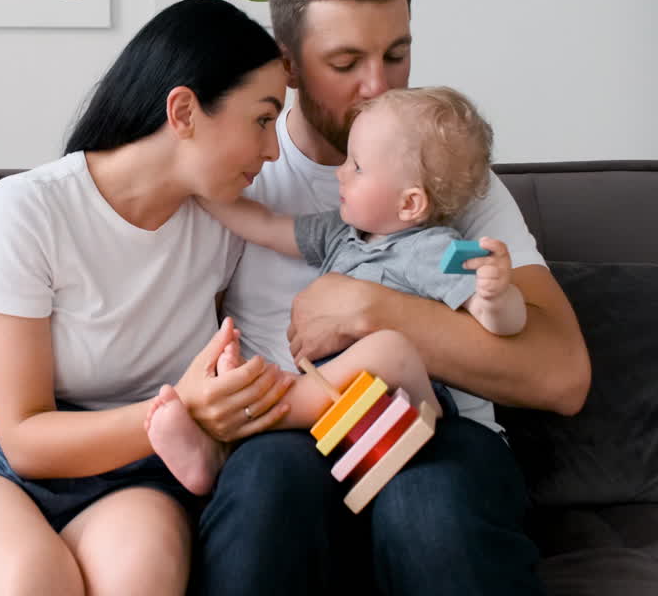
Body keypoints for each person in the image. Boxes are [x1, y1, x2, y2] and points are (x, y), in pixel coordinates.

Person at [0, 0, 303, 593]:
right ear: (184, 111)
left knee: (140, 577)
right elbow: (23, 434)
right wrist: (184, 408)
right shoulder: (30, 208)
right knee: (30, 578)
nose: (273, 150)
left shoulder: (229, 225)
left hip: (132, 472)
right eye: (263, 119)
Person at [185, 0, 591, 596]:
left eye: (397, 55)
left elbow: (562, 376)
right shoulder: (241, 170)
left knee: (430, 512)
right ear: (288, 64)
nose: (377, 87)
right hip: (291, 430)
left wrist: (370, 308)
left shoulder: (449, 176)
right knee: (263, 498)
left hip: (437, 425)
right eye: (345, 62)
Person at [146, 85, 526, 496]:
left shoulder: (435, 249)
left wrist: (495, 296)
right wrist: (196, 187)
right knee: (266, 389)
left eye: (357, 167)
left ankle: (253, 410)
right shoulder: (339, 232)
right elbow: (265, 226)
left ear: (410, 204)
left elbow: (504, 325)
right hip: (338, 403)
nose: (341, 172)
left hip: (409, 406)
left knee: (390, 349)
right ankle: (216, 451)